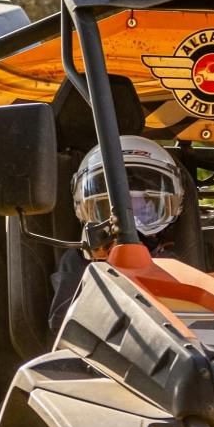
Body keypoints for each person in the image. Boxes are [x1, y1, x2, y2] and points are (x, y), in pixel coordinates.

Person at [49, 135, 189, 335]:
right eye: (107, 209)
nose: (133, 226)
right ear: (85, 208)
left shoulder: (172, 264)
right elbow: (61, 325)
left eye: (144, 212)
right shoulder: (79, 262)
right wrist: (97, 267)